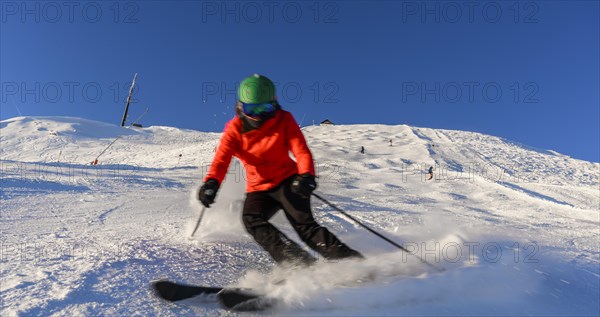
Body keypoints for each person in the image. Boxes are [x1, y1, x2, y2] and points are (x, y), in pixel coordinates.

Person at [198, 74, 362, 266]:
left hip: (289, 182)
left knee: (305, 228)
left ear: (274, 104)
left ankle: (352, 264)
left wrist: (306, 175)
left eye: (265, 108)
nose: (258, 115)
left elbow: (300, 150)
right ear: (241, 107)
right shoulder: (235, 130)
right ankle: (298, 262)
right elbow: (221, 160)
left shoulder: (283, 119)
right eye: (252, 109)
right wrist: (212, 182)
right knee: (252, 219)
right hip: (259, 188)